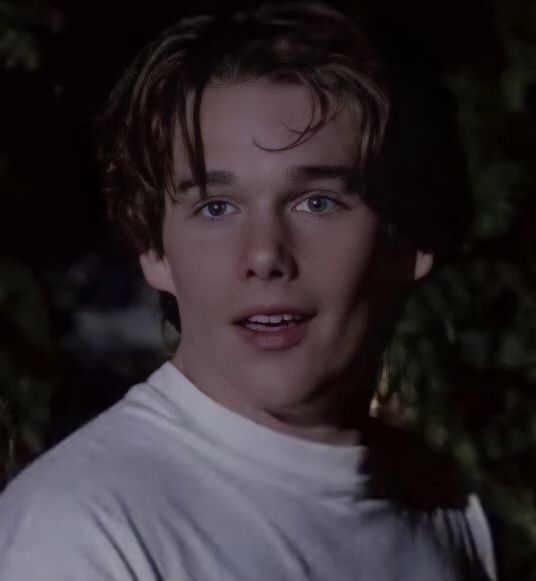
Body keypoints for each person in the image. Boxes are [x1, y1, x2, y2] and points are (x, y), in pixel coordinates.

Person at [0, 3, 496, 580]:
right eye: (216, 207)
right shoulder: (81, 536)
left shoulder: (447, 511)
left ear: (408, 241)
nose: (264, 254)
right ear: (155, 252)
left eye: (317, 202)